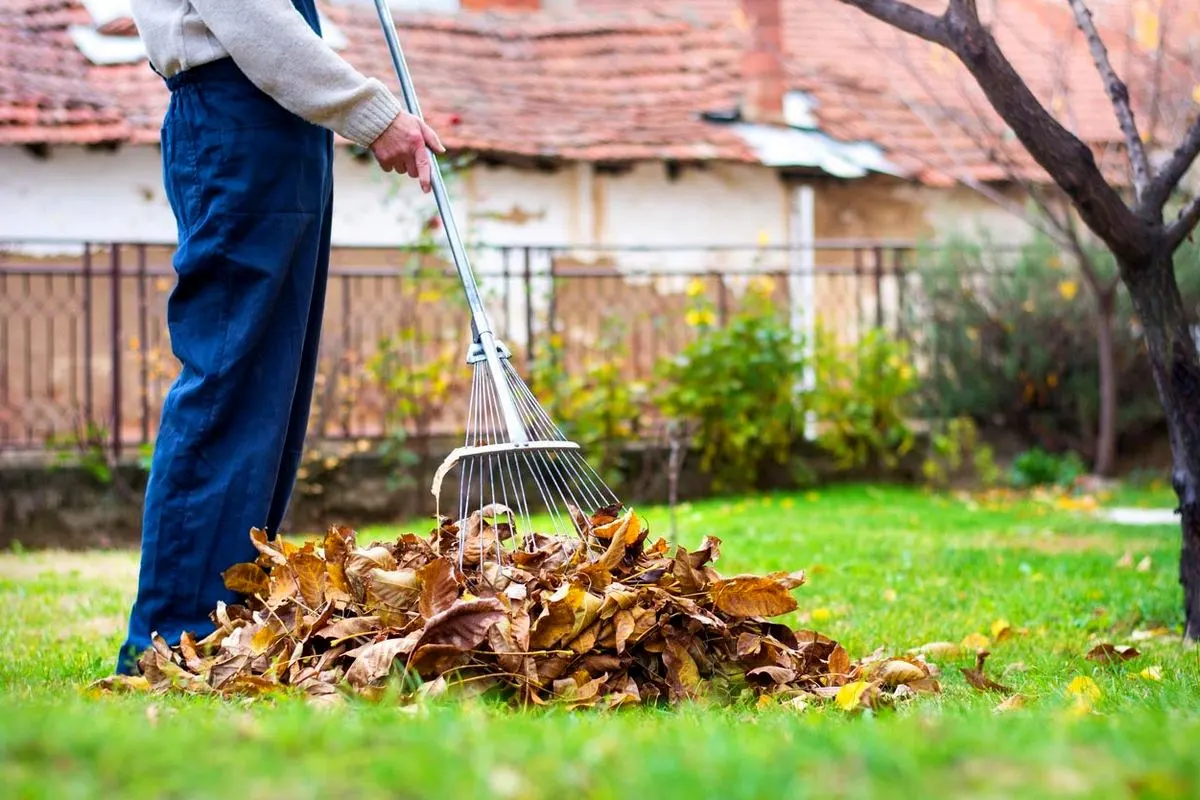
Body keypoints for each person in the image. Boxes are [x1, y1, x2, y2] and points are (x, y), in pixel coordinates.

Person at [115, 0, 444, 675]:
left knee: (270, 395)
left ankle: (227, 627)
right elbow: (249, 15)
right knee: (230, 384)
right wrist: (374, 114)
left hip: (275, 126)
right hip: (238, 117)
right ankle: (172, 636)